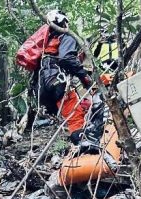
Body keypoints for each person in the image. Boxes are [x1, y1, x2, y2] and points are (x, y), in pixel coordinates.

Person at [35, 10, 96, 148]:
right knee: (75, 116)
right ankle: (85, 146)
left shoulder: (46, 43)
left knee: (67, 116)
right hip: (57, 81)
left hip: (42, 87)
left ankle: (77, 142)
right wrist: (84, 77)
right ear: (63, 23)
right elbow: (66, 58)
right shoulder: (66, 36)